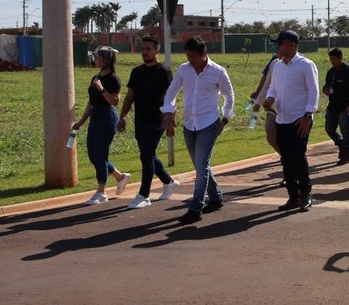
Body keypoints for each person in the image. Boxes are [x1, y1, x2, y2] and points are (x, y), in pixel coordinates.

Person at [162, 36, 235, 224]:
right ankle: (216, 197)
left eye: (193, 56)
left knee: (201, 166)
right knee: (200, 165)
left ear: (204, 54)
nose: (190, 60)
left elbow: (229, 96)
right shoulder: (184, 70)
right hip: (189, 124)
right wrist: (169, 114)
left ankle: (196, 207)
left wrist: (225, 119)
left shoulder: (218, 72)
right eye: (187, 55)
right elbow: (171, 93)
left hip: (209, 124)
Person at [118, 36, 178, 209]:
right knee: (148, 155)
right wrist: (122, 117)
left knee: (146, 155)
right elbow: (130, 96)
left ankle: (144, 195)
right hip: (140, 120)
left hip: (158, 120)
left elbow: (171, 97)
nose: (144, 52)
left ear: (156, 50)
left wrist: (171, 120)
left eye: (148, 49)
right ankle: (169, 181)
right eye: (142, 49)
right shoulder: (136, 72)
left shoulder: (164, 72)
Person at [263, 30, 319, 212]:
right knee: (286, 159)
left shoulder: (305, 65)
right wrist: (270, 98)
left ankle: (306, 194)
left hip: (299, 119)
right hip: (281, 118)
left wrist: (307, 115)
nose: (278, 47)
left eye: (281, 44)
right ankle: (293, 196)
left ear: (292, 45)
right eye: (277, 44)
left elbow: (313, 91)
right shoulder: (277, 66)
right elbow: (272, 87)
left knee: (298, 157)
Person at [72, 46, 129, 204]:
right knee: (93, 155)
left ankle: (101, 192)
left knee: (100, 155)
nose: (94, 60)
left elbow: (115, 102)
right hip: (95, 117)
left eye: (97, 57)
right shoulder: (95, 77)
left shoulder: (113, 79)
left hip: (107, 117)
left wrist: (102, 89)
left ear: (105, 59)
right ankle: (120, 177)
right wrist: (81, 122)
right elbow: (91, 102)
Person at [324, 48, 349, 165]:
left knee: (346, 132)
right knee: (329, 129)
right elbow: (326, 86)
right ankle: (341, 144)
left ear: (340, 58)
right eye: (330, 59)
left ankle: (345, 156)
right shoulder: (331, 72)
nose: (332, 61)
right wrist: (326, 90)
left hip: (345, 107)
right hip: (332, 106)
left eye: (334, 59)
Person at [250, 48, 282, 155]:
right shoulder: (274, 63)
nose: (278, 48)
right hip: (273, 108)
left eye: (281, 44)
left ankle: (290, 159)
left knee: (289, 141)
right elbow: (267, 83)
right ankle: (286, 157)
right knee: (271, 138)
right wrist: (258, 102)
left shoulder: (303, 64)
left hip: (292, 112)